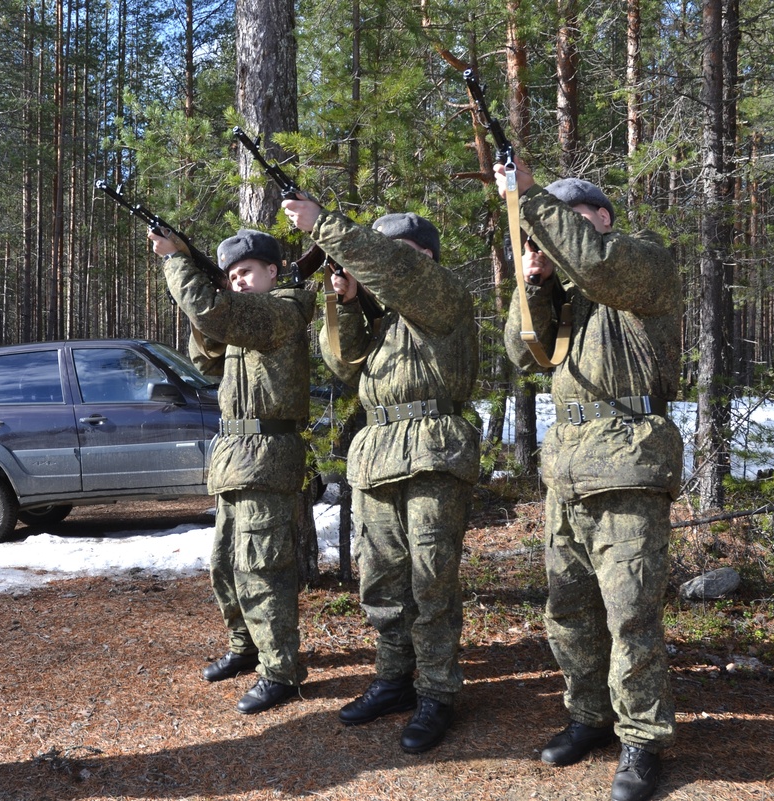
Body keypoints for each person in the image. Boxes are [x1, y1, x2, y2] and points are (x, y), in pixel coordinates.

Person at [496, 162, 682, 801]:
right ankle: (589, 715)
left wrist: (530, 200)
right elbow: (522, 354)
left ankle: (643, 738)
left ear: (602, 218)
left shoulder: (641, 265)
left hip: (628, 463)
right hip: (568, 469)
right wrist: (535, 285)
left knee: (630, 611)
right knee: (570, 608)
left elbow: (598, 264)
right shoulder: (569, 297)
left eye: (570, 221)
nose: (555, 238)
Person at [282, 199, 480, 754]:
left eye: (401, 254)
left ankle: (437, 691)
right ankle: (395, 679)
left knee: (431, 579)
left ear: (426, 260)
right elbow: (343, 364)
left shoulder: (442, 296)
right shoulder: (383, 322)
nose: (385, 263)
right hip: (379, 451)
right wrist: (346, 302)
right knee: (382, 581)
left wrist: (326, 226)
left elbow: (396, 271)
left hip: (433, 448)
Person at [148, 227, 314, 715]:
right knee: (224, 563)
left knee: (262, 566)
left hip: (267, 454)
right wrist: (209, 311)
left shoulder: (281, 310)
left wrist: (176, 261)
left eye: (246, 272)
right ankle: (246, 646)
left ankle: (280, 669)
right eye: (232, 276)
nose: (238, 281)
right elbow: (207, 359)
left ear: (273, 272)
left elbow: (211, 312)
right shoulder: (244, 318)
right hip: (235, 454)